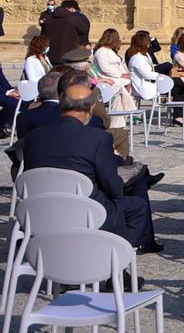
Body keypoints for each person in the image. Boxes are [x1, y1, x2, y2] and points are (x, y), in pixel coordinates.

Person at [19, 80, 161, 253]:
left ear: (61, 106)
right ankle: (114, 266)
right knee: (137, 207)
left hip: (42, 213)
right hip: (87, 212)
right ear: (91, 109)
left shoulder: (33, 138)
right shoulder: (97, 139)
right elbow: (114, 188)